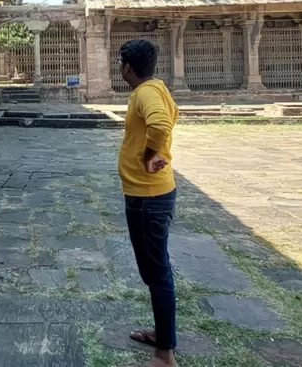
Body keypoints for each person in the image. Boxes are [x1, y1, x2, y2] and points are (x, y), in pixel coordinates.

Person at [116, 39, 180, 367]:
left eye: (121, 63)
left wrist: (151, 154)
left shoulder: (145, 93)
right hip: (151, 194)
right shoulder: (156, 88)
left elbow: (160, 124)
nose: (119, 68)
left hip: (148, 198)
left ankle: (165, 355)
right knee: (155, 271)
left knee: (157, 273)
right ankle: (163, 334)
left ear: (128, 66)